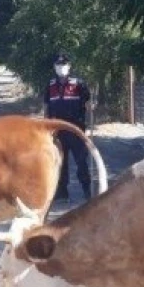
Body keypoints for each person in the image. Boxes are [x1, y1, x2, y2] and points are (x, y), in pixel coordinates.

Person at [44, 53, 93, 201]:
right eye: (58, 65)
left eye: (64, 65)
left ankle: (86, 190)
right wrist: (46, 129)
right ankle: (62, 193)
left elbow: (88, 104)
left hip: (76, 130)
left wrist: (91, 111)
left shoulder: (79, 84)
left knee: (81, 162)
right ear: (54, 68)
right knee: (60, 163)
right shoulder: (50, 86)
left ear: (69, 66)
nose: (61, 68)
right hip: (58, 131)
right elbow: (46, 108)